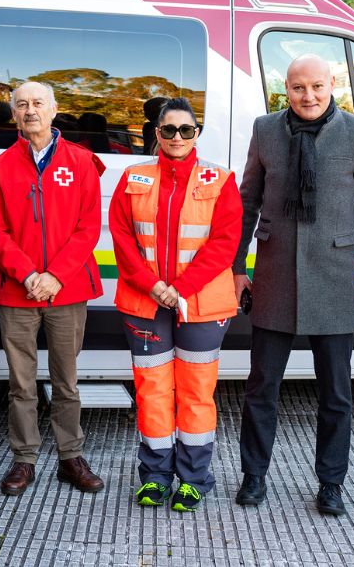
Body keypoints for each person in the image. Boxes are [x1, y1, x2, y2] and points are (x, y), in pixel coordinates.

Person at [232, 54, 354, 516]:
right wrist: (238, 265)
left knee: (336, 394)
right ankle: (254, 476)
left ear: (332, 83)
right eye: (299, 88)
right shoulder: (265, 130)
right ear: (287, 88)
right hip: (274, 276)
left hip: (336, 277)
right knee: (261, 386)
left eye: (317, 87)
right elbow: (247, 202)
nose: (309, 96)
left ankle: (331, 483)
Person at [110, 97, 242, 512]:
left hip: (199, 302)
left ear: (196, 133)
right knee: (152, 392)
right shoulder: (135, 176)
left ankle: (194, 479)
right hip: (146, 300)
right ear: (157, 133)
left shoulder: (220, 179)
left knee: (196, 393)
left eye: (186, 130)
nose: (177, 137)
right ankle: (154, 477)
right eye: (168, 130)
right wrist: (154, 286)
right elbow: (122, 237)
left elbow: (224, 244)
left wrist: (180, 288)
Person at [0, 80, 106, 496]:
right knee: (20, 384)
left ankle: (70, 457)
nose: (30, 110)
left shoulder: (83, 161)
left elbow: (89, 227)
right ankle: (24, 459)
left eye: (38, 103)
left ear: (54, 110)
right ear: (13, 115)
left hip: (67, 290)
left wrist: (55, 275)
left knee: (66, 380)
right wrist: (27, 275)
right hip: (17, 292)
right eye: (21, 105)